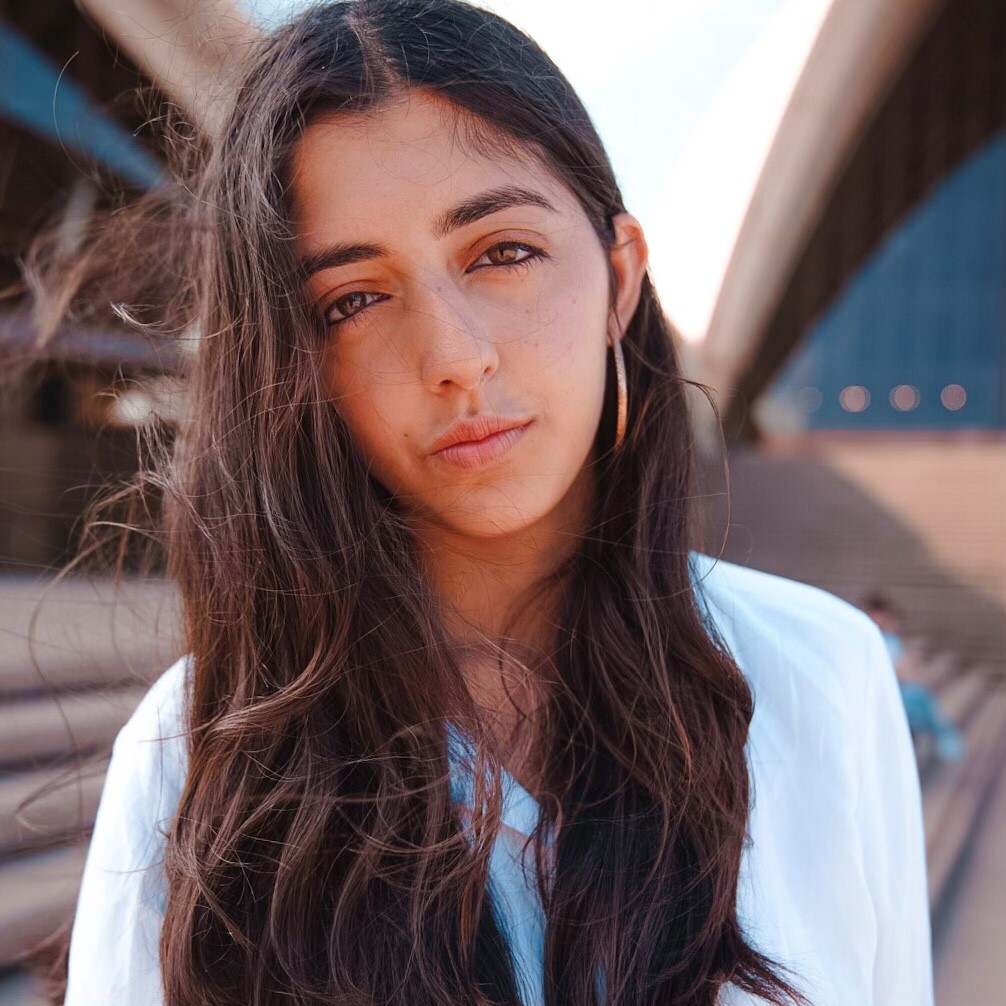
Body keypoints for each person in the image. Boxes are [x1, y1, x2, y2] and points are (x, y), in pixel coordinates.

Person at [35, 2, 932, 1004]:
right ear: (295, 364)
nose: (456, 357)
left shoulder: (818, 673)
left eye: (502, 252)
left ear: (620, 278)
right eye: (353, 299)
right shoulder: (192, 754)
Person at [861, 591, 965, 765]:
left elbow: (900, 671)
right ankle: (944, 737)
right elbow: (894, 672)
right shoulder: (872, 639)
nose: (892, 621)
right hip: (883, 694)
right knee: (917, 697)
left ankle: (944, 737)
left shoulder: (889, 639)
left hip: (895, 690)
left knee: (918, 696)